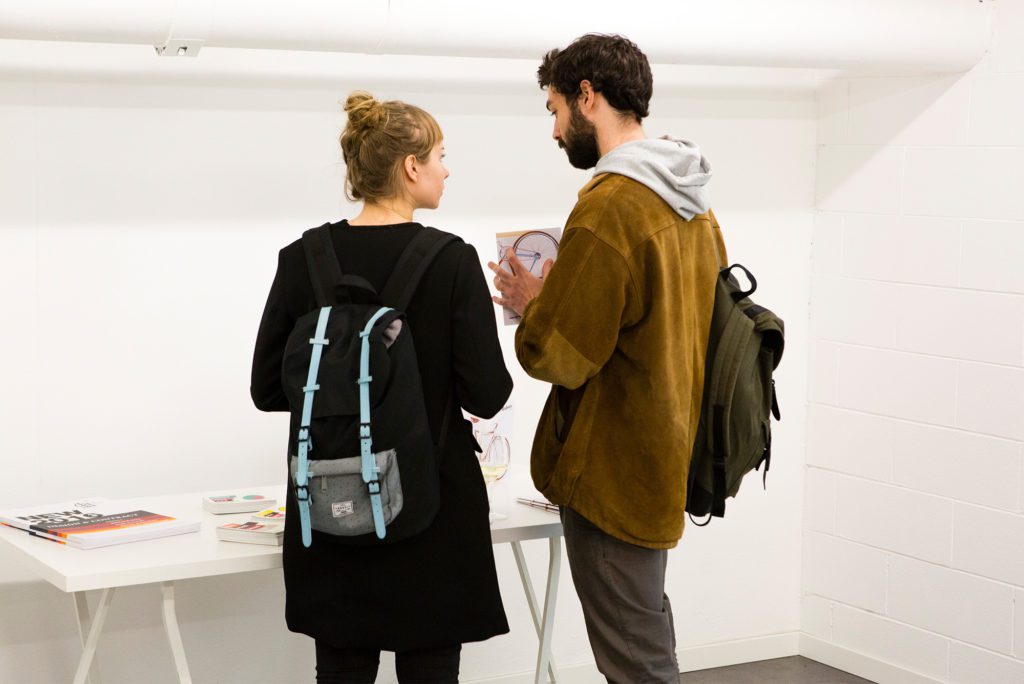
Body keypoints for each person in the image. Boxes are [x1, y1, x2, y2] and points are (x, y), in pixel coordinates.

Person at [251, 91, 513, 683]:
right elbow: (487, 395)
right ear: (411, 166)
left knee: (340, 669)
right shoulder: (452, 261)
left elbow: (268, 389)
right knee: (430, 669)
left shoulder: (301, 259)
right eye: (441, 156)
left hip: (330, 504)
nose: (447, 170)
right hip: (431, 508)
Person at [489, 34, 726, 683]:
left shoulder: (611, 205)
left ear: (587, 97)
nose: (555, 130)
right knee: (646, 636)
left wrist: (536, 304)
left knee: (635, 661)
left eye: (555, 109)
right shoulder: (692, 201)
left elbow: (558, 357)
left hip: (612, 470)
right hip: (666, 456)